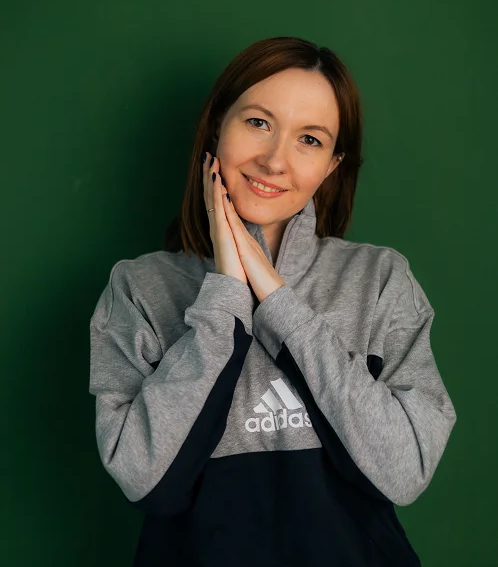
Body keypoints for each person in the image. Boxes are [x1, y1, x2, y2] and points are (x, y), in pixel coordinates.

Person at [89, 36, 457, 567]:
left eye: (309, 139)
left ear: (331, 165)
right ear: (217, 126)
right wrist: (226, 294)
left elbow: (404, 472)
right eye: (259, 122)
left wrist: (277, 298)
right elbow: (146, 481)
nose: (275, 160)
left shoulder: (379, 279)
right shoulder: (138, 287)